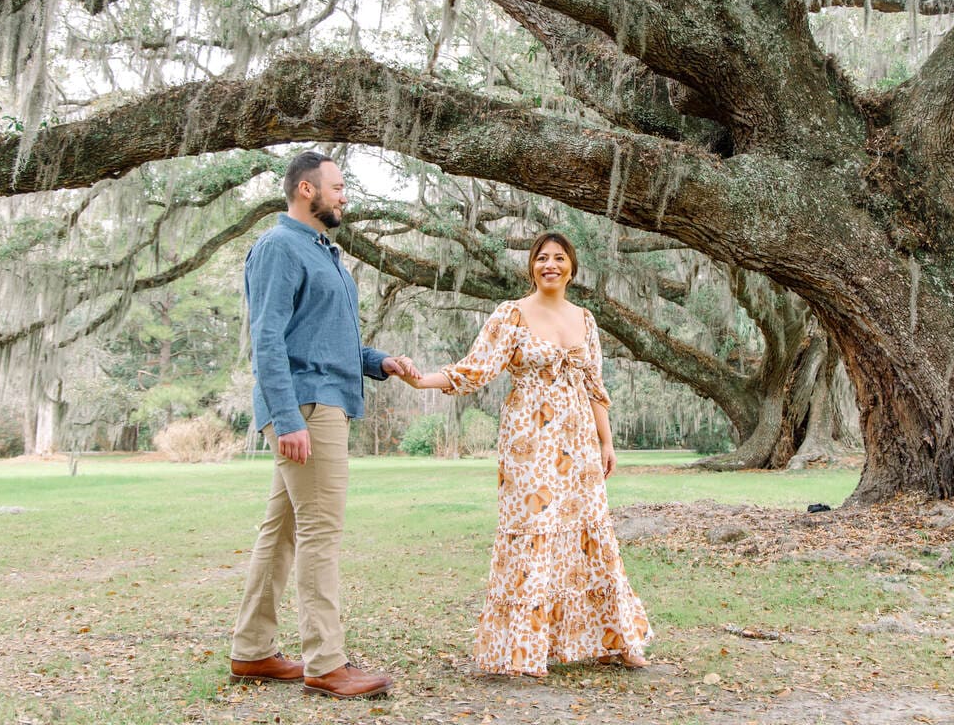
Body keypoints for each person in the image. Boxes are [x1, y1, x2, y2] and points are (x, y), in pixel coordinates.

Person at [399, 232, 651, 677]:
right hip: (529, 439)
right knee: (535, 529)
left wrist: (606, 441)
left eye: (558, 258)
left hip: (579, 442)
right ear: (531, 266)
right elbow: (475, 369)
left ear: (572, 267)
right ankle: (525, 648)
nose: (549, 265)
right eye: (541, 258)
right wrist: (423, 381)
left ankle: (617, 640)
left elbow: (595, 386)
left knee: (590, 531)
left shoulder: (586, 320)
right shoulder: (510, 315)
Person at [228, 151, 418, 699]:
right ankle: (326, 663)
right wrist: (286, 417)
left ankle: (252, 650)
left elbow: (322, 341)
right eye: (337, 187)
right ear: (306, 190)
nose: (344, 196)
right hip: (305, 409)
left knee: (282, 532)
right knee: (320, 534)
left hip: (320, 401)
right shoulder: (278, 248)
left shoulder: (322, 252)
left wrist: (377, 360)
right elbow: (267, 341)